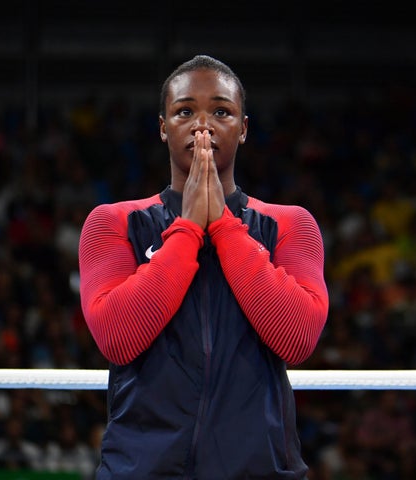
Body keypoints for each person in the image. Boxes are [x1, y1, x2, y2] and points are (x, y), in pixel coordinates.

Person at [78, 54, 330, 479]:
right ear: (163, 127)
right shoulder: (112, 221)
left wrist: (227, 229)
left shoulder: (291, 223)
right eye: (184, 111)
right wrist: (190, 227)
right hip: (141, 470)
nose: (202, 125)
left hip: (261, 470)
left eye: (220, 111)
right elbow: (117, 337)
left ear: (243, 128)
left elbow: (298, 337)